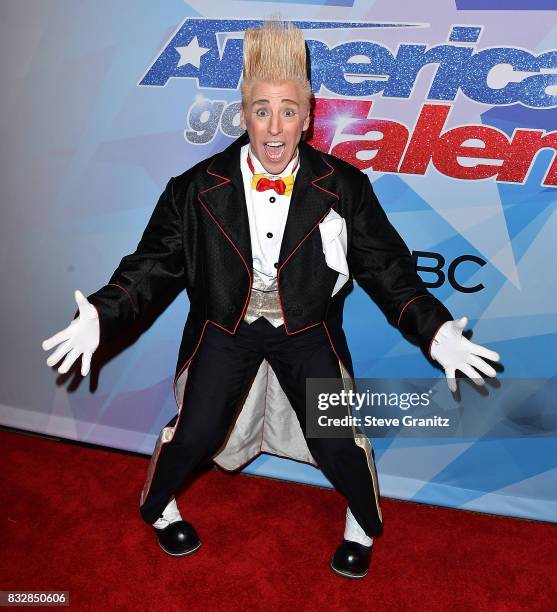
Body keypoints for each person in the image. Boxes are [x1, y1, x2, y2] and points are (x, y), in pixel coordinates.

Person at [42, 21, 500, 579]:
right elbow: (152, 267)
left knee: (335, 441)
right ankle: (158, 504)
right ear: (244, 117)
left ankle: (361, 519)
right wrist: (103, 312)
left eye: (288, 111)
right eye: (262, 110)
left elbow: (386, 268)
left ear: (308, 120)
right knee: (196, 431)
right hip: (225, 327)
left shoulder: (345, 186)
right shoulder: (194, 188)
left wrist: (435, 329)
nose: (275, 127)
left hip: (306, 329)